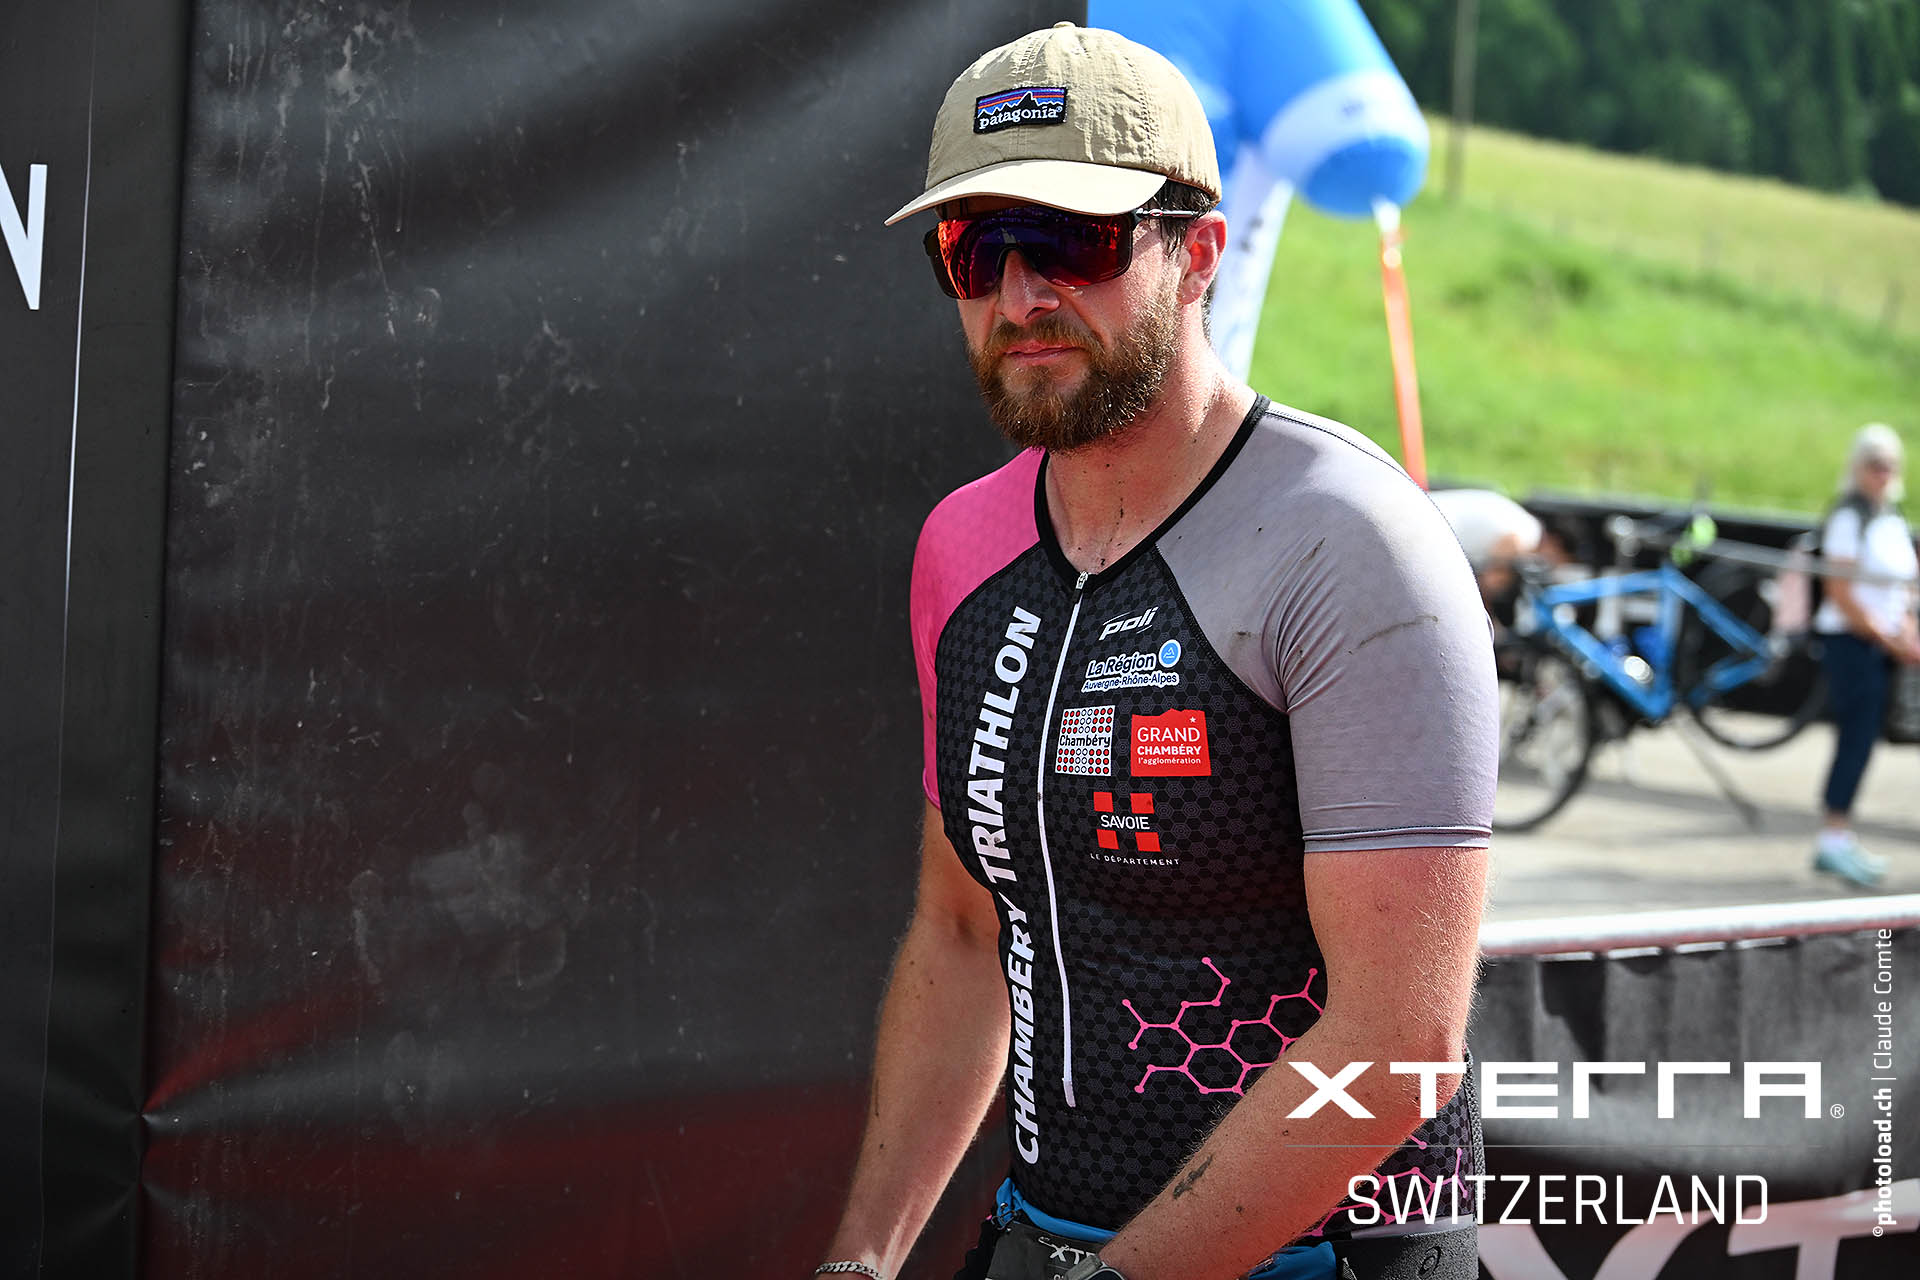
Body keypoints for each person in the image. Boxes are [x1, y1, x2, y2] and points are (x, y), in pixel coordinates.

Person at [815, 24, 1497, 1280]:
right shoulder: (962, 546)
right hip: (1042, 1237)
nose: (1023, 296)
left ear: (1201, 256)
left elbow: (1402, 1043)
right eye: (976, 250)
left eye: (1073, 240)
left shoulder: (1350, 542)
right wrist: (861, 1257)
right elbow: (965, 935)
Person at [1810, 423, 1920, 888]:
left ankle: (1840, 835)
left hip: (1883, 645)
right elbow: (1840, 591)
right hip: (1854, 644)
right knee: (1854, 739)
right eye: (1874, 465)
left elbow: (1903, 588)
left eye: (1889, 466)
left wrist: (1906, 631)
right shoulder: (1848, 517)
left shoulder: (1889, 517)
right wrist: (1887, 638)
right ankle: (1833, 836)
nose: (1882, 474)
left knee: (1864, 739)